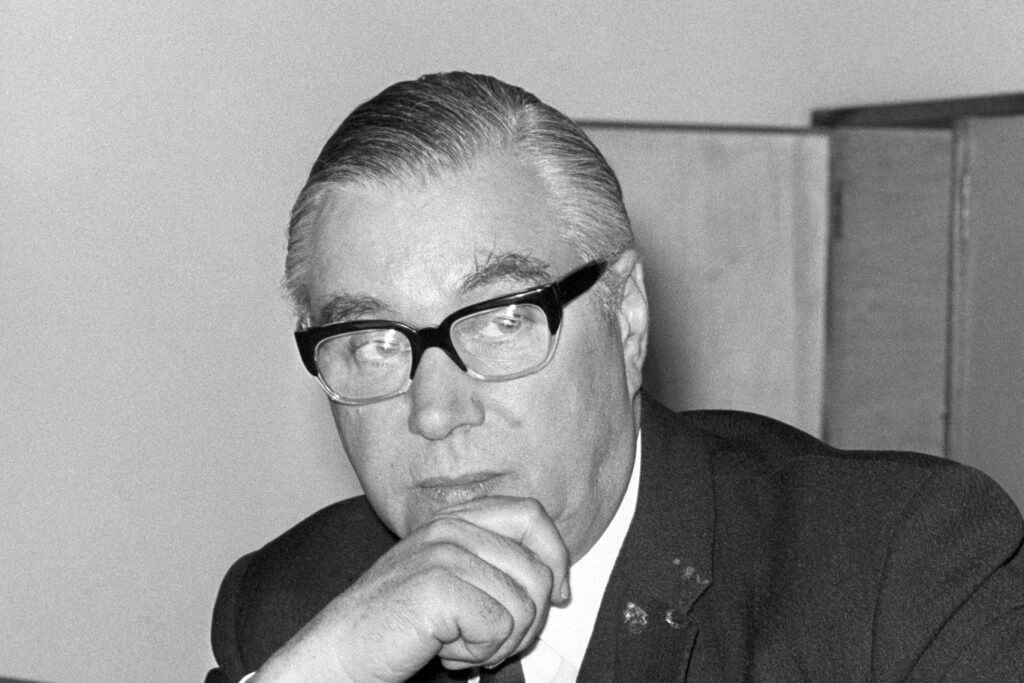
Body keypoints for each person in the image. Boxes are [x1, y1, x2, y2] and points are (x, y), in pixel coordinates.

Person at [206, 72, 1024, 682]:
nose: (435, 412)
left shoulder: (897, 572)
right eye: (372, 343)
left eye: (502, 319)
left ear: (625, 318)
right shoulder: (296, 604)